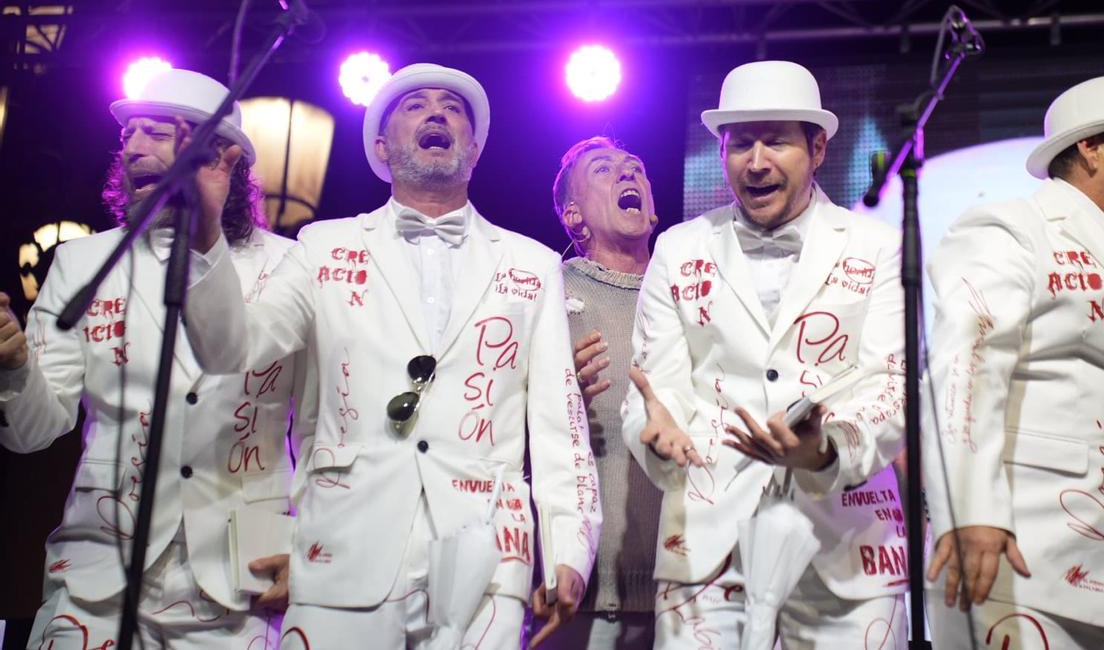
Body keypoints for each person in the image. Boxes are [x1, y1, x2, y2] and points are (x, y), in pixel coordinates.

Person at [181, 63, 600, 649]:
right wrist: (205, 235)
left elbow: (560, 423)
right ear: (381, 146)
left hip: (485, 552)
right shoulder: (323, 246)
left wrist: (570, 550)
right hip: (340, 544)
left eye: (452, 108)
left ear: (475, 148)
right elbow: (234, 351)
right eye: (415, 105)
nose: (436, 113)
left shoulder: (532, 264)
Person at [0, 68, 312, 649]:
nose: (132, 148)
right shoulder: (82, 262)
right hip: (100, 566)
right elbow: (34, 431)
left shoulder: (290, 264)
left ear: (220, 157)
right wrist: (15, 367)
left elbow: (320, 423)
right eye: (129, 135)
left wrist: (314, 543)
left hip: (243, 572)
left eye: (158, 133)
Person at [622, 60, 908, 649]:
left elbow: (892, 384)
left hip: (848, 540)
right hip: (706, 539)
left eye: (776, 141)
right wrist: (655, 434)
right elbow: (656, 388)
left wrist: (825, 450)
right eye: (739, 144)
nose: (755, 162)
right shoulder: (679, 248)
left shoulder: (878, 245)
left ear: (818, 148)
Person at [924, 73, 1104, 649]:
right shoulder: (1010, 231)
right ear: (1091, 148)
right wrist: (971, 512)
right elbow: (967, 369)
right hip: (1023, 567)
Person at [545, 136, 661, 649]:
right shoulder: (549, 292)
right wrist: (552, 391)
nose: (627, 173)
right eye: (603, 169)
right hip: (587, 595)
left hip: (697, 592)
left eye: (635, 167)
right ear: (574, 215)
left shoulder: (690, 289)